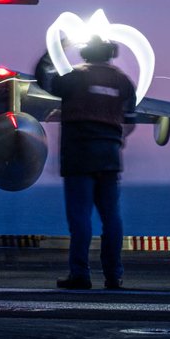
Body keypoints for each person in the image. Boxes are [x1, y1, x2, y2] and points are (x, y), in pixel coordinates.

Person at [36, 36, 137, 290]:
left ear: (86, 53)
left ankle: (80, 275)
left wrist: (57, 47)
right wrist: (115, 139)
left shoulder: (76, 77)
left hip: (79, 155)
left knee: (80, 218)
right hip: (110, 158)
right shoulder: (124, 82)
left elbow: (44, 78)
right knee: (111, 218)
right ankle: (114, 276)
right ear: (110, 53)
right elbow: (130, 121)